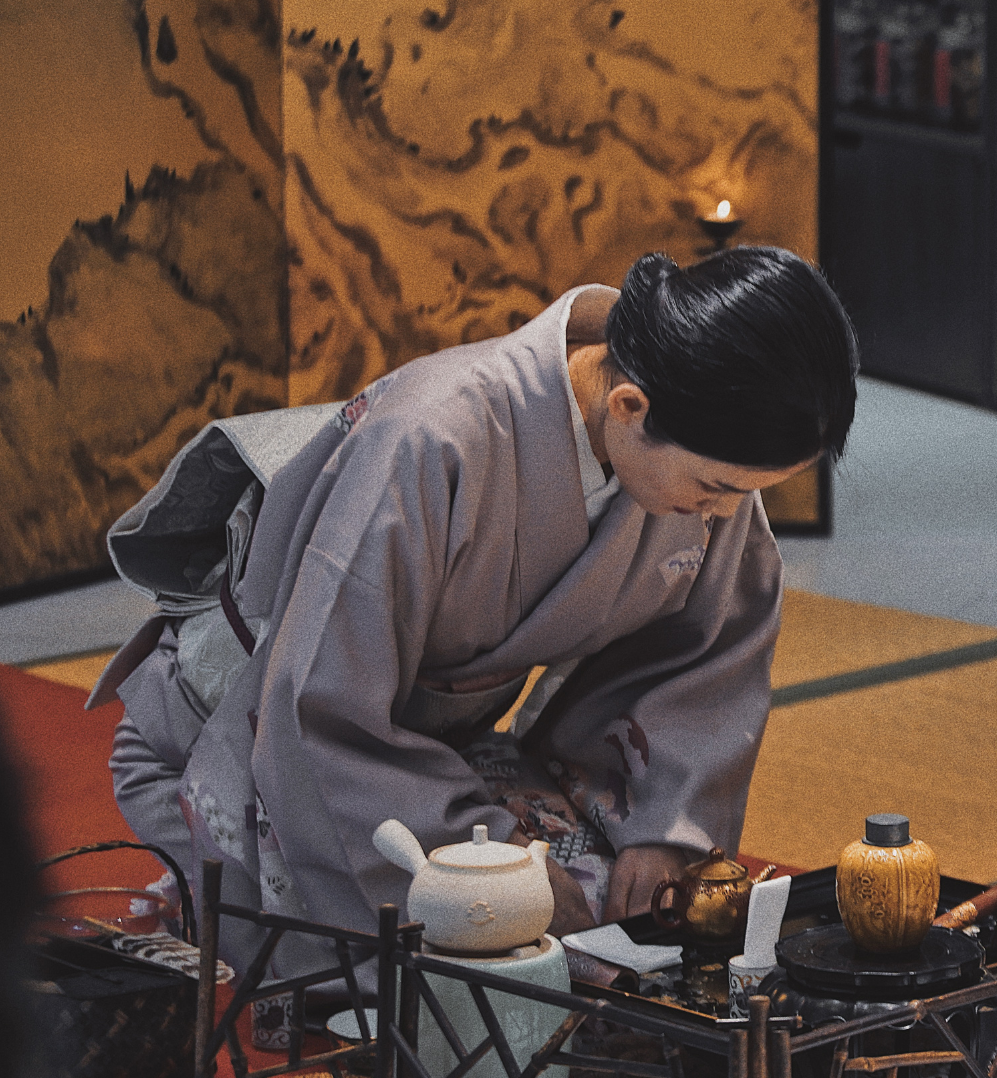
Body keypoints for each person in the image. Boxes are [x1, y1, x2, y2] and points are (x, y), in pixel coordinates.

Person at [95, 246, 858, 972]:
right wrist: (491, 865)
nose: (724, 516)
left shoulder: (694, 450)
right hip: (258, 736)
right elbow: (316, 706)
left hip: (429, 748)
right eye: (721, 490)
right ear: (629, 405)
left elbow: (706, 658)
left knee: (615, 914)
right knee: (436, 961)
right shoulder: (432, 438)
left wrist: (665, 831)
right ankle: (193, 888)